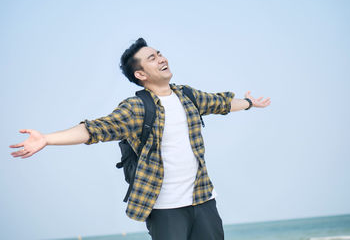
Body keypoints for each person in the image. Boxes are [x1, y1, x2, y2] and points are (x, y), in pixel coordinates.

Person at [9, 38, 271, 240]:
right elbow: (95, 129)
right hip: (165, 209)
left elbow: (220, 103)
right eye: (151, 58)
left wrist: (248, 103)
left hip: (204, 201)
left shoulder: (187, 96)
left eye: (159, 54)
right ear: (141, 75)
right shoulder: (136, 108)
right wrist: (47, 139)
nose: (160, 59)